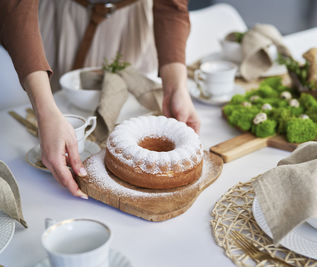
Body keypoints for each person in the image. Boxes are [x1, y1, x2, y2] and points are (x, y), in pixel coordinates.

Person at [0, 0, 200, 199]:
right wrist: (45, 112)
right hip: (66, 20)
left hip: (131, 23)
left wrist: (176, 88)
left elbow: (171, 5)